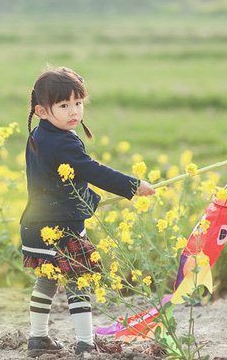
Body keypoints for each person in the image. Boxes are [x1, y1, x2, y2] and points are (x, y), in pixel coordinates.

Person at [20, 66, 155, 357]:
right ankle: (85, 343)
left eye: (78, 103)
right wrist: (133, 186)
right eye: (64, 105)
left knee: (46, 281)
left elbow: (55, 182)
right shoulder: (64, 141)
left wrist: (87, 199)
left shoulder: (38, 136)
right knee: (78, 282)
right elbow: (93, 171)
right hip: (63, 228)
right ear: (42, 111)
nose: (74, 111)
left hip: (35, 225)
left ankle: (37, 339)